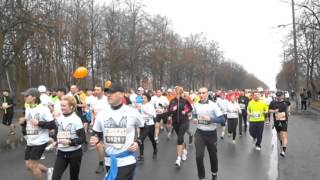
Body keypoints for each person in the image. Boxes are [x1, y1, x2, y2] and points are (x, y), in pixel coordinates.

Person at [90, 84, 144, 180]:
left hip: (126, 160)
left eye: (112, 92)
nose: (109, 95)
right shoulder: (102, 114)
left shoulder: (132, 112)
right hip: (109, 161)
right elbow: (96, 133)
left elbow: (145, 127)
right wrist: (96, 138)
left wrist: (138, 141)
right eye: (107, 93)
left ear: (122, 94)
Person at [20, 88, 56, 180]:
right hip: (30, 140)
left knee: (33, 166)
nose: (25, 97)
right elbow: (28, 122)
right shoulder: (28, 108)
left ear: (34, 97)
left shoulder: (43, 109)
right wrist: (23, 122)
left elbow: (52, 124)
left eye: (27, 96)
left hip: (40, 140)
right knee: (28, 165)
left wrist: (39, 123)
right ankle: (49, 170)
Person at [192, 87, 225, 180]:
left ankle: (214, 173)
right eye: (200, 93)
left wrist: (211, 119)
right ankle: (201, 177)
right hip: (199, 133)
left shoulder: (213, 105)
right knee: (198, 156)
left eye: (203, 93)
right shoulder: (196, 104)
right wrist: (194, 118)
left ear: (207, 94)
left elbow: (222, 119)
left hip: (211, 134)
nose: (201, 95)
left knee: (213, 156)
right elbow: (194, 114)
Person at [52, 95, 86, 180]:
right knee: (55, 177)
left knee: (74, 177)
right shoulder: (59, 117)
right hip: (61, 152)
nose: (61, 107)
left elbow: (82, 139)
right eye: (61, 105)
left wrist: (70, 142)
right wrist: (56, 141)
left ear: (71, 106)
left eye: (64, 106)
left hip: (74, 153)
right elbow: (59, 133)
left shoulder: (76, 119)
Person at [167, 86, 193, 167]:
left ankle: (178, 158)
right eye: (175, 92)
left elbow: (190, 109)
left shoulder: (185, 101)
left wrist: (185, 111)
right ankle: (184, 150)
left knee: (179, 139)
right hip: (175, 123)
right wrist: (172, 110)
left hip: (184, 122)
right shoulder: (172, 101)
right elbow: (168, 112)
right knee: (180, 139)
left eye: (178, 92)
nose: (176, 94)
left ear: (181, 93)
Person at [92, 85, 110, 174]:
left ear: (102, 91)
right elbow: (93, 111)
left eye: (97, 90)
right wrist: (93, 121)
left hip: (107, 125)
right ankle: (101, 164)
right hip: (97, 126)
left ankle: (110, 162)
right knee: (98, 145)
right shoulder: (93, 100)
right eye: (94, 89)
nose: (95, 91)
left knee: (108, 145)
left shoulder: (107, 99)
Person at [269, 91, 291, 157]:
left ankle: (283, 151)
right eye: (277, 96)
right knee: (279, 136)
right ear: (276, 96)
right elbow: (269, 110)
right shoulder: (273, 102)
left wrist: (288, 111)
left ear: (282, 96)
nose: (279, 97)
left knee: (284, 134)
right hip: (276, 121)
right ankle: (282, 144)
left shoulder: (286, 101)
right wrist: (274, 111)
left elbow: (289, 105)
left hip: (284, 120)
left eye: (280, 96)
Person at [137, 93, 157, 161]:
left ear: (148, 98)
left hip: (150, 125)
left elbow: (153, 115)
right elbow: (140, 115)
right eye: (142, 98)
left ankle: (155, 149)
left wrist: (146, 113)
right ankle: (141, 155)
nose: (143, 99)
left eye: (145, 98)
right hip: (143, 125)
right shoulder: (141, 106)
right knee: (141, 140)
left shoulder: (150, 106)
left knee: (152, 139)